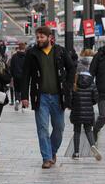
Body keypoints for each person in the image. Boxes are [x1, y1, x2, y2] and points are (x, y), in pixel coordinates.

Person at [21, 26, 75, 169]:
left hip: (58, 97)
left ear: (49, 37)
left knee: (59, 127)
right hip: (41, 96)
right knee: (42, 128)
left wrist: (68, 86)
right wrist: (24, 96)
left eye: (42, 37)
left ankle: (52, 151)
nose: (39, 40)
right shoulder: (32, 53)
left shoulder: (60, 52)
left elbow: (71, 68)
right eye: (37, 37)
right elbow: (25, 75)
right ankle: (46, 157)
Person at [69, 71, 102, 160]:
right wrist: (89, 103)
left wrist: (72, 106)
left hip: (77, 111)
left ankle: (76, 153)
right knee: (88, 130)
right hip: (88, 112)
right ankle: (92, 145)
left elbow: (71, 98)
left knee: (77, 131)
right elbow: (96, 98)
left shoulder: (75, 83)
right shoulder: (92, 84)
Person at [10, 42, 27, 111]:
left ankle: (17, 100)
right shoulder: (27, 56)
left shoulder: (14, 56)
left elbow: (11, 67)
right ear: (24, 48)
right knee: (24, 90)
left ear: (18, 47)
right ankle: (23, 105)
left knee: (17, 89)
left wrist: (12, 75)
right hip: (24, 76)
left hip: (16, 76)